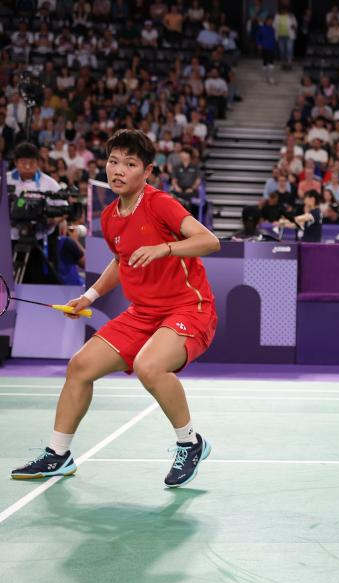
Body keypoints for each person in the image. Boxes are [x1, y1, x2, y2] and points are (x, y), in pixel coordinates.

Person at [11, 129, 221, 487]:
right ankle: (59, 454)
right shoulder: (109, 217)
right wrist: (89, 297)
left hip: (188, 307)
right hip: (143, 313)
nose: (118, 170)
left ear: (147, 171)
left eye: (130, 163)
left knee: (149, 366)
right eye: (113, 162)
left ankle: (190, 443)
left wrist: (165, 249)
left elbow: (210, 241)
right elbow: (120, 263)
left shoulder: (160, 204)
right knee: (80, 366)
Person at [7, 142, 65, 284]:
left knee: (35, 281)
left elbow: (64, 210)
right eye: (23, 163)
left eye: (32, 163)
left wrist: (51, 221)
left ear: (38, 162)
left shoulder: (49, 183)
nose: (27, 167)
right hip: (9, 240)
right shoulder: (5, 179)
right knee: (7, 281)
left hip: (37, 240)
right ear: (15, 162)